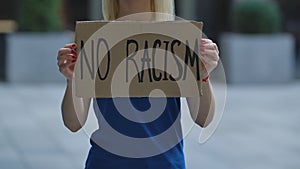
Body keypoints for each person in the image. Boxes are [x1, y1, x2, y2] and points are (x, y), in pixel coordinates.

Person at [57, 0, 219, 168]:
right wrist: (72, 79)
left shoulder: (177, 39)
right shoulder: (96, 38)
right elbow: (73, 123)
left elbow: (204, 119)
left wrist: (203, 75)